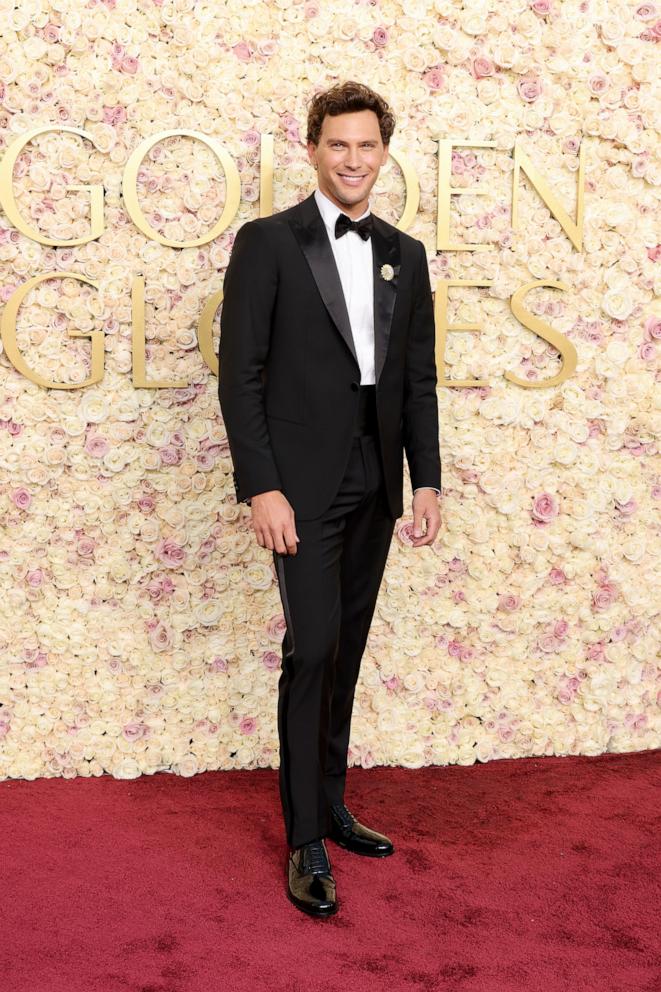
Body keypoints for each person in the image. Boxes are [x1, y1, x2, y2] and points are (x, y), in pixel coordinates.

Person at [218, 80, 441, 917]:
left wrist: (428, 480)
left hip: (375, 480)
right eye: (337, 145)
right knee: (310, 647)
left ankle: (334, 804)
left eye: (367, 146)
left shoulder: (403, 252)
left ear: (384, 153)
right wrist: (261, 486)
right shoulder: (269, 242)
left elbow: (416, 377)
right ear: (311, 148)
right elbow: (239, 376)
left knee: (345, 647)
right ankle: (304, 834)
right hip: (299, 486)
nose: (353, 160)